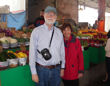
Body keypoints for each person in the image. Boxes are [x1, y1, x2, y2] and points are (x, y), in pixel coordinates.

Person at [29, 6, 65, 86]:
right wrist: (33, 73)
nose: (50, 16)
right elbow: (32, 53)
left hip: (56, 70)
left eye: (52, 14)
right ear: (44, 15)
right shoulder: (36, 31)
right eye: (48, 14)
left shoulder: (59, 32)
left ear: (55, 17)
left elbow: (62, 51)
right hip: (41, 70)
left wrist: (62, 67)